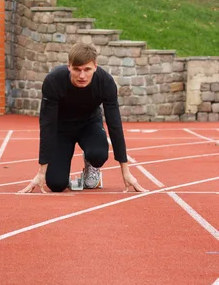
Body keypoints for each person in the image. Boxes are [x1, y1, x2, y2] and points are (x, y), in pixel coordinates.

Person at [20, 42, 146, 194]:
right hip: (61, 129)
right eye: (76, 69)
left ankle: (91, 165)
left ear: (95, 66)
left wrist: (126, 172)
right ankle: (60, 173)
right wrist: (41, 172)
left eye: (87, 69)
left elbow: (115, 125)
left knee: (98, 155)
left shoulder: (105, 82)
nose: (82, 76)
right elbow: (47, 125)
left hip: (89, 124)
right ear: (69, 66)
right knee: (56, 184)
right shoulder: (53, 81)